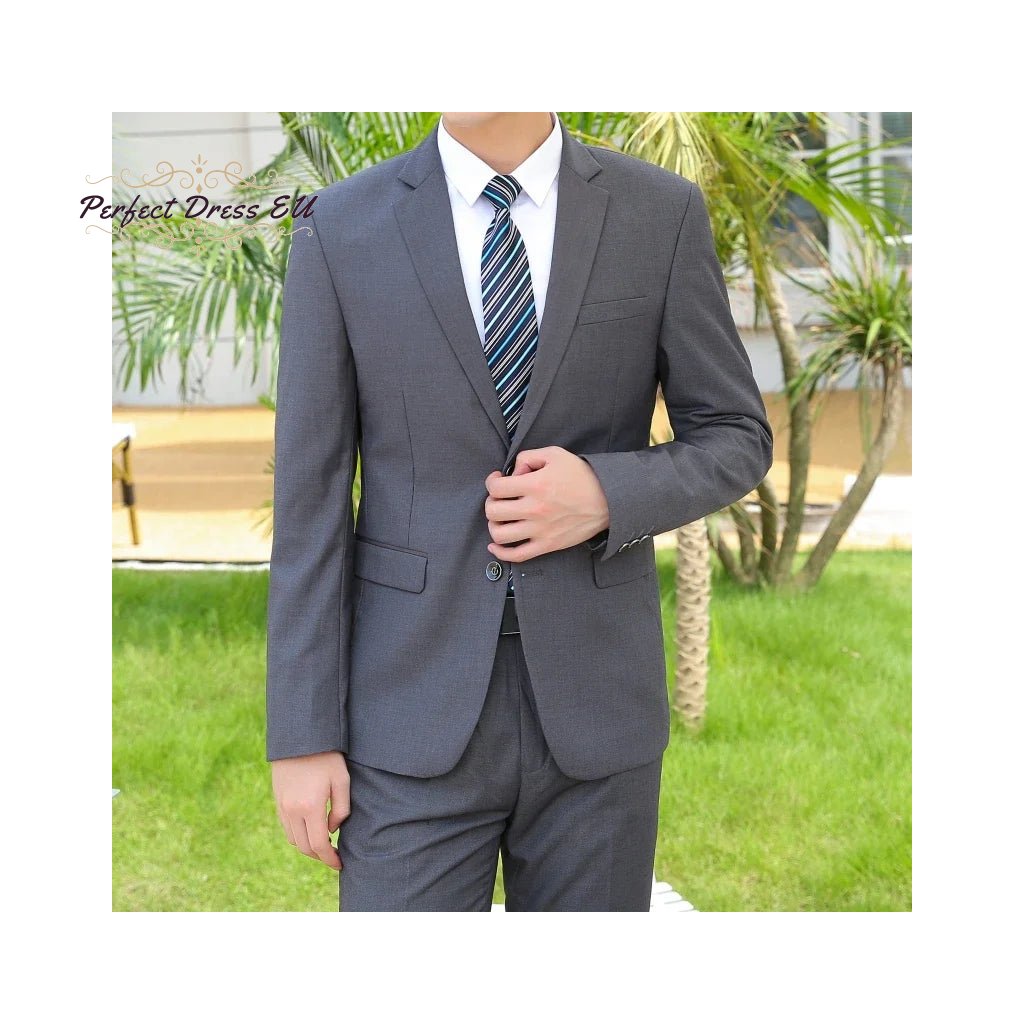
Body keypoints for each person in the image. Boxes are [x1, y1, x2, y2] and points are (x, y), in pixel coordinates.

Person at [266, 111, 773, 911]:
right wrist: (303, 735)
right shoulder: (340, 225)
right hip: (405, 708)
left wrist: (606, 494)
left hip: (598, 706)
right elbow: (310, 501)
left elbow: (736, 435)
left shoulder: (657, 212)